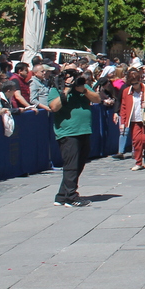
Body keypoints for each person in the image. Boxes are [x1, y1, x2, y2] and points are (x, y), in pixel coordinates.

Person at [48, 63, 101, 207]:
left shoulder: (83, 87)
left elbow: (97, 99)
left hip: (84, 130)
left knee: (78, 164)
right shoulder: (56, 89)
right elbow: (53, 107)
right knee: (71, 165)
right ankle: (71, 196)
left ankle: (61, 196)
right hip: (68, 132)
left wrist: (83, 90)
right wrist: (67, 90)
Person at [117, 68, 145, 171]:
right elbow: (123, 107)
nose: (135, 86)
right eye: (132, 84)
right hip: (134, 120)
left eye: (136, 83)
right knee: (136, 141)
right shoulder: (126, 91)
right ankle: (138, 162)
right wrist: (123, 122)